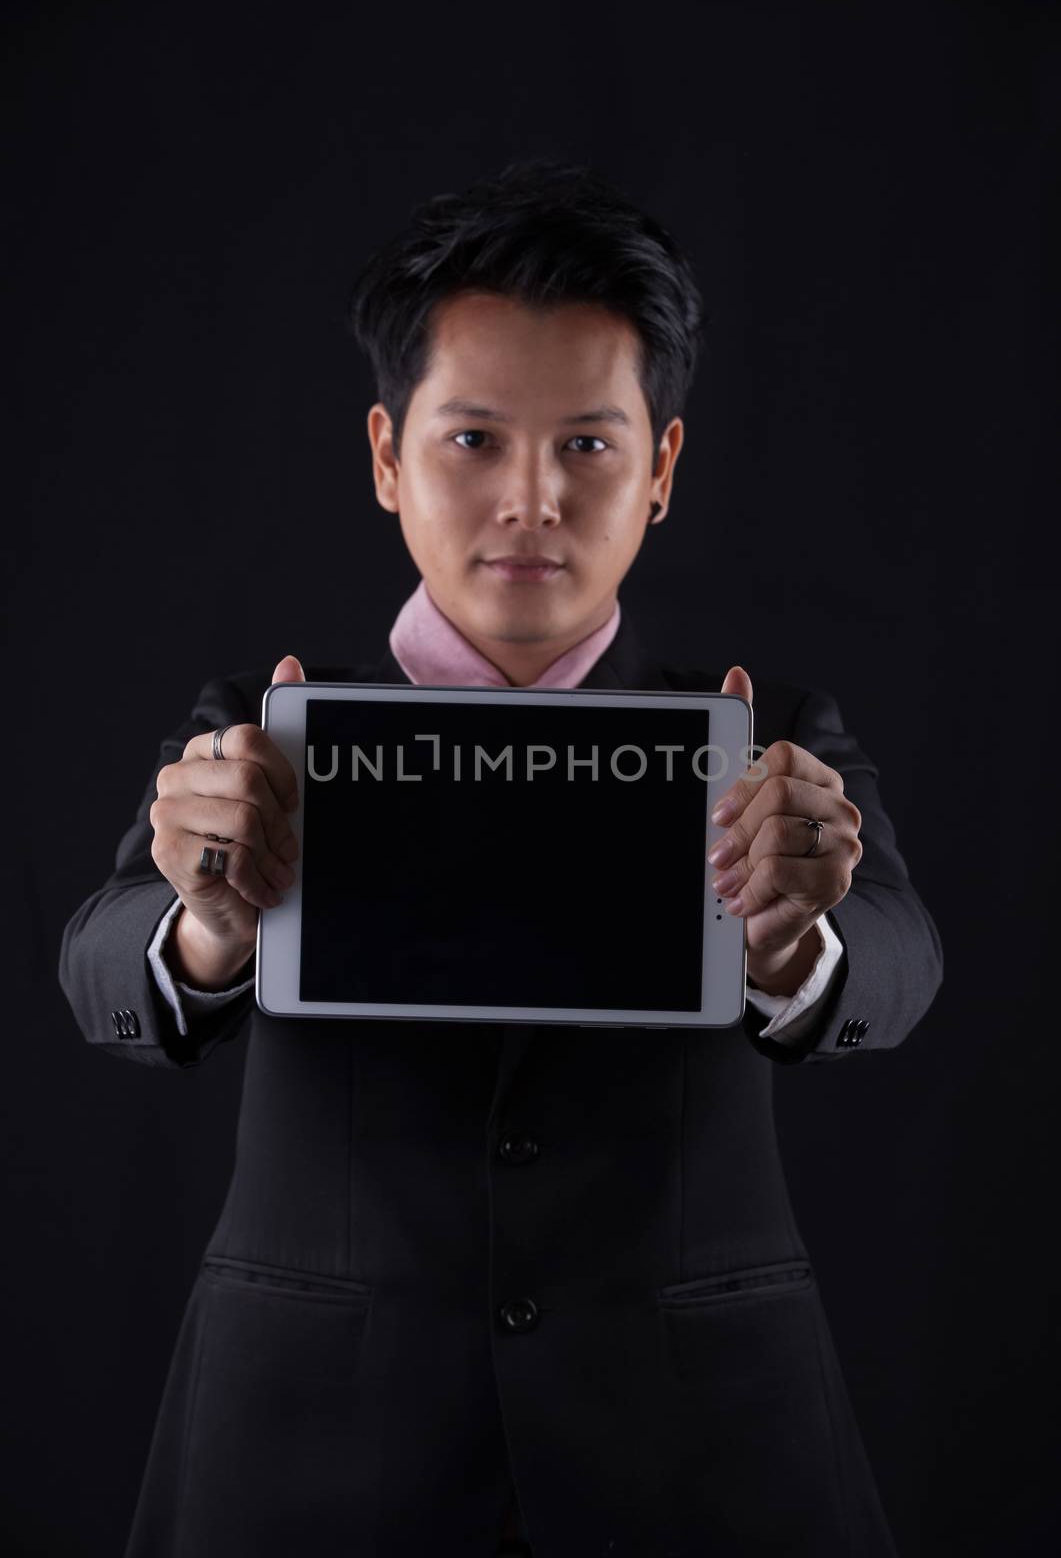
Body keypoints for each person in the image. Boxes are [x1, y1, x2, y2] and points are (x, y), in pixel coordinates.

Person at [58, 156, 943, 1557]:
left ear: (659, 471)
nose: (531, 498)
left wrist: (797, 942)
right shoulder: (256, 737)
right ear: (383, 457)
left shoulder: (764, 739)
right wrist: (207, 928)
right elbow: (101, 959)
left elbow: (899, 957)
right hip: (307, 1457)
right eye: (473, 439)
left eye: (589, 444)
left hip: (700, 1455)